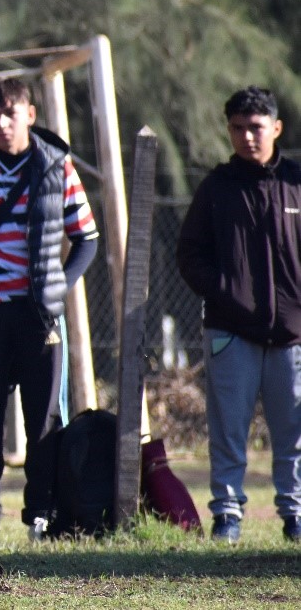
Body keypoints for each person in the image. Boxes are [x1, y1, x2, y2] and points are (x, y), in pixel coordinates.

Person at [0, 77, 98, 544]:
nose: (2, 123)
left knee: (43, 419)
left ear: (30, 113)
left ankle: (42, 515)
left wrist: (55, 292)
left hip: (39, 316)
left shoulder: (56, 168)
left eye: (11, 112)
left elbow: (86, 238)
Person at [177, 85, 301, 544]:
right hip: (231, 334)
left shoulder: (295, 184)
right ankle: (227, 516)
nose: (248, 136)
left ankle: (295, 515)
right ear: (228, 130)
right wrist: (225, 292)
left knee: (294, 435)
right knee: (228, 433)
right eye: (238, 128)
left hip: (292, 335)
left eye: (256, 127)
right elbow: (190, 253)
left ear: (276, 128)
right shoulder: (215, 189)